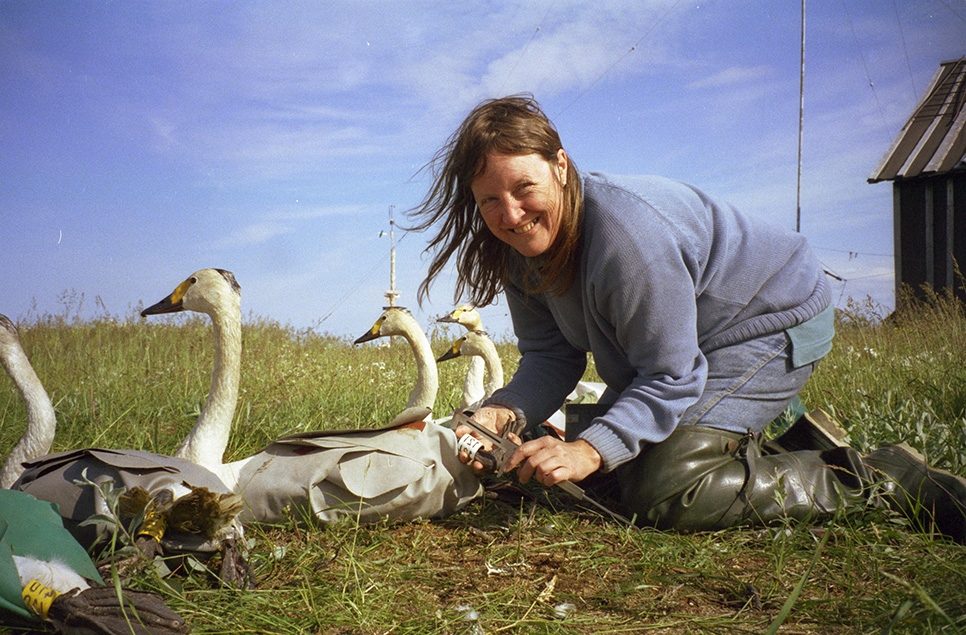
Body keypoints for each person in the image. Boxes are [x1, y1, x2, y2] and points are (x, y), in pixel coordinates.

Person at [408, 94, 966, 542]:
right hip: (686, 347)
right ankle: (786, 446)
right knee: (592, 464)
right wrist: (503, 413)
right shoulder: (518, 249)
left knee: (665, 491)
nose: (510, 215)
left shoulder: (627, 239)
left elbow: (672, 375)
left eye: (524, 187)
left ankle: (881, 475)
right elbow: (553, 356)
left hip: (770, 323)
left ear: (560, 165)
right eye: (488, 200)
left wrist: (588, 449)